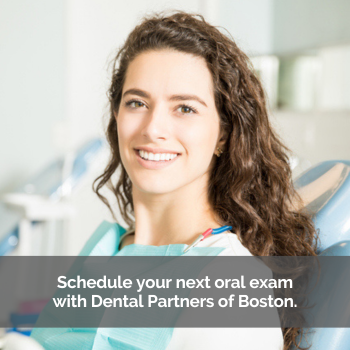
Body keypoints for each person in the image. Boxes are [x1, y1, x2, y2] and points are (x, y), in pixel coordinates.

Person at [31, 10, 317, 350]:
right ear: (117, 117)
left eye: (185, 108)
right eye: (137, 102)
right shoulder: (107, 251)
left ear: (224, 135)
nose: (152, 128)